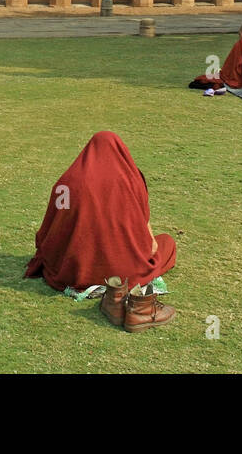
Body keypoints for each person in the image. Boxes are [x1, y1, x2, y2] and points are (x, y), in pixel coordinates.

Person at [25, 131, 177, 332]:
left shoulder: (68, 181)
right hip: (123, 267)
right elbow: (150, 245)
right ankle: (128, 300)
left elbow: (50, 230)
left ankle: (113, 297)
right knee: (168, 244)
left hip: (74, 268)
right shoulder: (130, 179)